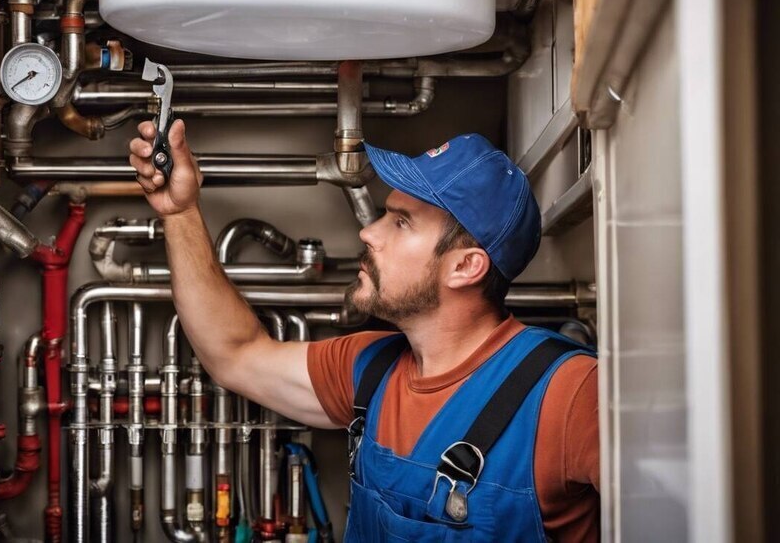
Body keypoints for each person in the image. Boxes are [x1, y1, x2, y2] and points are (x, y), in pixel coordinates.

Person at [128, 119, 599, 541]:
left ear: (465, 267)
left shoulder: (572, 395)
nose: (368, 233)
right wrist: (180, 213)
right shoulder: (369, 368)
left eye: (400, 222)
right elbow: (234, 354)